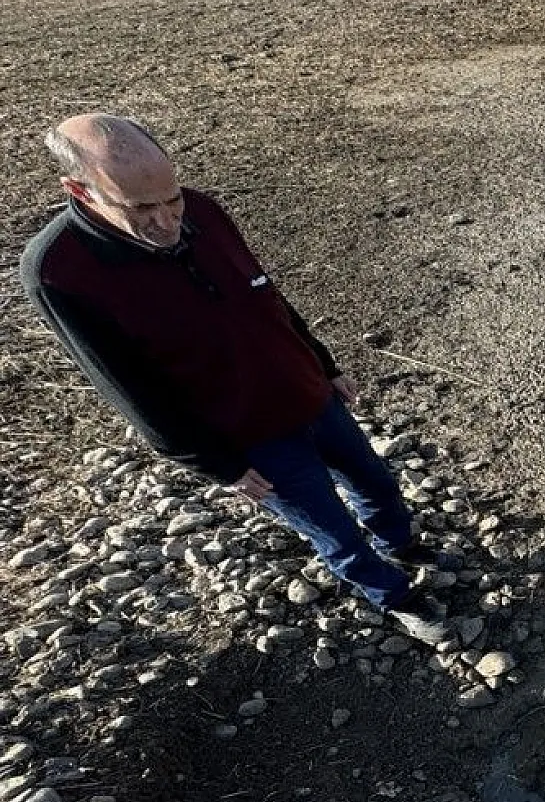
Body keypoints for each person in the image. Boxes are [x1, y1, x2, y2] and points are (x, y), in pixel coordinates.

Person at [19, 114, 452, 643]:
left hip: (308, 393)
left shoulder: (201, 209)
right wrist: (214, 464)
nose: (167, 220)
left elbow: (263, 293)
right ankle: (395, 596)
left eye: (171, 199)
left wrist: (323, 363)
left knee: (376, 481)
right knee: (331, 530)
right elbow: (126, 387)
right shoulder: (56, 271)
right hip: (247, 437)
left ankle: (400, 542)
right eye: (141, 209)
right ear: (78, 191)